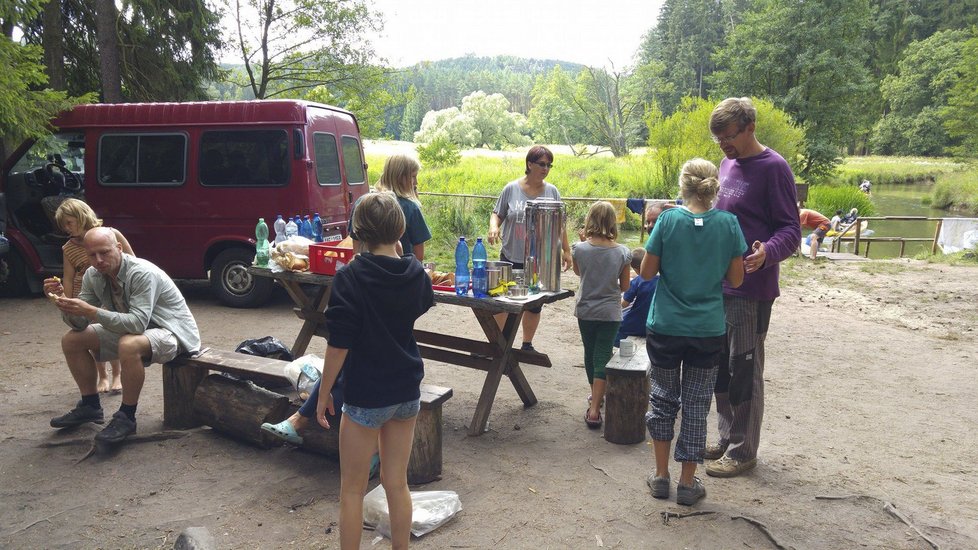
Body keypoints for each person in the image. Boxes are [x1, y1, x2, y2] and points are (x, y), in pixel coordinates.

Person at [314, 192, 434, 550]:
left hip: (367, 393)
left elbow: (339, 345)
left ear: (357, 231)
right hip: (406, 389)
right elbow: (421, 300)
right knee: (396, 482)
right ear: (400, 229)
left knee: (351, 489)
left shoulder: (351, 276)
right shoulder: (415, 271)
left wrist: (323, 395)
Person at [642, 158, 747, 506]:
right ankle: (688, 483)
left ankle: (660, 477)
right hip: (706, 329)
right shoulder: (730, 224)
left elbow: (646, 273)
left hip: (666, 327)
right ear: (713, 185)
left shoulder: (668, 219)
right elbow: (735, 280)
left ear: (683, 184)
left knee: (662, 398)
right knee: (697, 403)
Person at [705, 97, 800, 478]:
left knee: (745, 369)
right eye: (718, 139)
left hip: (752, 289)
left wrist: (767, 253)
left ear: (749, 127)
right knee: (720, 371)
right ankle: (727, 438)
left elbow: (791, 231)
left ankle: (745, 451)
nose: (723, 145)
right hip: (718, 287)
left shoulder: (773, 167)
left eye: (728, 136)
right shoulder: (727, 164)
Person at [43, 227, 201, 444]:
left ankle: (127, 416)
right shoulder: (93, 275)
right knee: (72, 340)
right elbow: (80, 324)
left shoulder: (141, 272)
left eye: (104, 252)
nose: (98, 260)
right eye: (92, 255)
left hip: (174, 333)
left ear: (118, 248)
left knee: (128, 344)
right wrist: (62, 302)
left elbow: (136, 324)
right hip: (135, 330)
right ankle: (90, 405)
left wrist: (91, 311)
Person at [487, 145, 572, 352]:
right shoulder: (511, 188)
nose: (546, 168)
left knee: (534, 303)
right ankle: (498, 344)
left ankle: (527, 344)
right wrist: (493, 227)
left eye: (549, 165)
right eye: (542, 164)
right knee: (502, 299)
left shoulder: (552, 191)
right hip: (510, 254)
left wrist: (566, 251)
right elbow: (497, 213)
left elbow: (560, 224)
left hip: (538, 258)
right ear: (529, 164)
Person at [54, 199, 135, 394]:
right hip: (84, 294)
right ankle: (102, 376)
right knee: (89, 336)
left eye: (69, 222)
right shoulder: (69, 247)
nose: (66, 228)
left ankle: (117, 374)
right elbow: (68, 276)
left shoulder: (110, 234)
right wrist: (65, 299)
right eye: (63, 225)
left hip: (110, 292)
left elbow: (133, 260)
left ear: (81, 216)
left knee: (111, 329)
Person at [571, 201, 631, 429]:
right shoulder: (623, 252)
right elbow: (625, 286)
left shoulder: (579, 248)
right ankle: (596, 406)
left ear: (590, 221)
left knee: (590, 353)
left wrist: (583, 240)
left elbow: (579, 272)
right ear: (612, 222)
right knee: (603, 354)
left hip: (586, 310)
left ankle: (595, 400)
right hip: (610, 312)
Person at [349, 154, 431, 261]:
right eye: (413, 176)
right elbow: (419, 255)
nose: (416, 182)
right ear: (401, 177)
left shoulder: (362, 203)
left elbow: (356, 247)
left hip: (366, 272)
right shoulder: (411, 208)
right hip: (401, 273)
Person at [616, 247, 657, 347]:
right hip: (654, 325)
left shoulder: (637, 281)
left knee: (616, 328)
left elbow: (624, 304)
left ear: (635, 269)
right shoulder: (662, 279)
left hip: (635, 324)